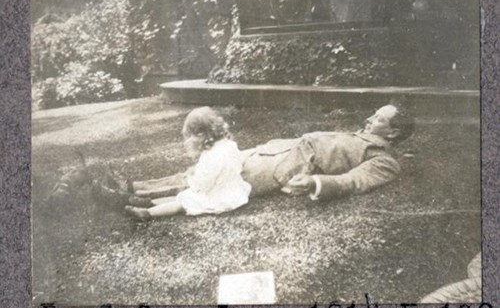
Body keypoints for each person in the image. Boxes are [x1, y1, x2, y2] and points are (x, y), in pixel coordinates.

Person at [127, 104, 415, 204]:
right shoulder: (361, 134)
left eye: (378, 119)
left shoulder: (385, 161)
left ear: (392, 133)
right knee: (211, 163)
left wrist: (316, 184)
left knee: (218, 179)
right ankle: (135, 186)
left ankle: (143, 199)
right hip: (278, 149)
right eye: (374, 114)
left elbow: (354, 181)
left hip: (290, 166)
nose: (369, 118)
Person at [124, 107, 251, 221]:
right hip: (235, 192)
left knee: (184, 201)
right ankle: (152, 203)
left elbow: (204, 184)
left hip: (221, 198)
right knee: (184, 196)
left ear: (201, 135)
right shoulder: (230, 145)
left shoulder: (210, 156)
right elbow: (238, 165)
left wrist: (192, 181)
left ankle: (148, 213)